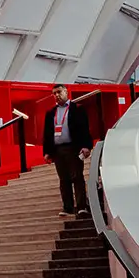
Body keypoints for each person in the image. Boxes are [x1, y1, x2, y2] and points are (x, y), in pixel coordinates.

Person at [43, 84, 93, 217]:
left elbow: (84, 129)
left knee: (77, 176)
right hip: (58, 150)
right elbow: (47, 133)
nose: (57, 95)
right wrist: (47, 152)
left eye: (59, 92)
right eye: (54, 93)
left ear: (66, 92)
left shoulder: (77, 109)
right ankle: (67, 207)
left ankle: (82, 206)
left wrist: (86, 146)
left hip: (73, 148)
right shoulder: (50, 113)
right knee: (63, 179)